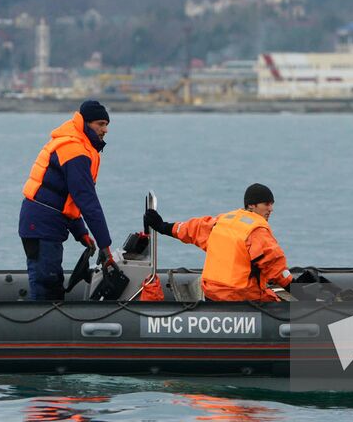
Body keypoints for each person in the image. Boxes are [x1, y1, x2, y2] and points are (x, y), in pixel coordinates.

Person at [18, 100, 114, 300]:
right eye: (100, 124)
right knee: (46, 283)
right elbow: (87, 201)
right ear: (85, 123)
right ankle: (41, 329)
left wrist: (81, 232)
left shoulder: (78, 145)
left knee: (51, 280)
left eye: (106, 124)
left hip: (46, 222)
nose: (105, 130)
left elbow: (65, 198)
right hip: (42, 225)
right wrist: (106, 247)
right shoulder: (75, 150)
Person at [144, 183, 294, 302]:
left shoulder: (222, 221)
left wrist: (162, 226)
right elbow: (276, 267)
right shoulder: (257, 232)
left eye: (271, 204)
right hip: (242, 298)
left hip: (213, 295)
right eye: (267, 204)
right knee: (277, 301)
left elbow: (191, 229)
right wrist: (301, 292)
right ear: (252, 205)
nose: (271, 209)